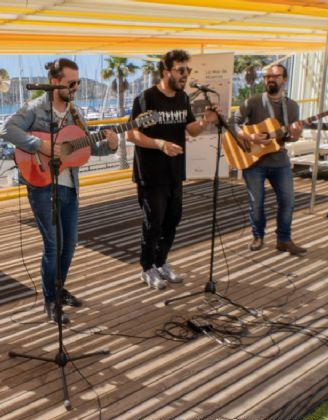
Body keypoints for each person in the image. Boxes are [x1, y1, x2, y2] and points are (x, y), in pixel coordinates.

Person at [0, 58, 119, 323]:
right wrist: (38, 145)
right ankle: (50, 301)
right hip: (42, 185)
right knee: (53, 245)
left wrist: (110, 144)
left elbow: (88, 148)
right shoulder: (35, 108)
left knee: (70, 245)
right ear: (54, 83)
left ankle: (58, 288)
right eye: (71, 83)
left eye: (77, 82)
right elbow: (7, 129)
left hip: (70, 187)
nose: (76, 87)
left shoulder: (76, 113)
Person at [126, 49, 218, 290]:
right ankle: (147, 268)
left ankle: (161, 262)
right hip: (151, 173)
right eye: (181, 70)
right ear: (166, 71)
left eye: (188, 70)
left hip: (175, 172)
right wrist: (160, 144)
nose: (186, 74)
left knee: (172, 220)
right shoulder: (146, 98)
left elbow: (192, 130)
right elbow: (132, 133)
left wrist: (205, 121)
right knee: (153, 222)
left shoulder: (182, 98)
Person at [232, 64, 306, 256]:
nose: (270, 79)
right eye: (267, 76)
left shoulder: (292, 106)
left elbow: (288, 137)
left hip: (280, 160)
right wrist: (250, 137)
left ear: (285, 79)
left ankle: (284, 239)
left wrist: (295, 136)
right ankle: (258, 236)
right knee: (256, 203)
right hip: (253, 161)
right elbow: (234, 123)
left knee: (288, 200)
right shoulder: (253, 101)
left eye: (275, 76)